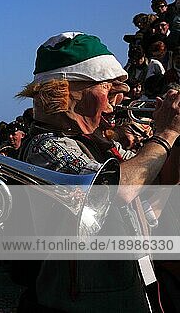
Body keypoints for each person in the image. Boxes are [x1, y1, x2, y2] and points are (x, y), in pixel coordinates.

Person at [17, 32, 180, 312]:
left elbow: (161, 180)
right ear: (65, 91)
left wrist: (174, 139)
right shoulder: (46, 147)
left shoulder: (96, 143)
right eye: (108, 88)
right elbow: (119, 190)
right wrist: (167, 133)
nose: (117, 100)